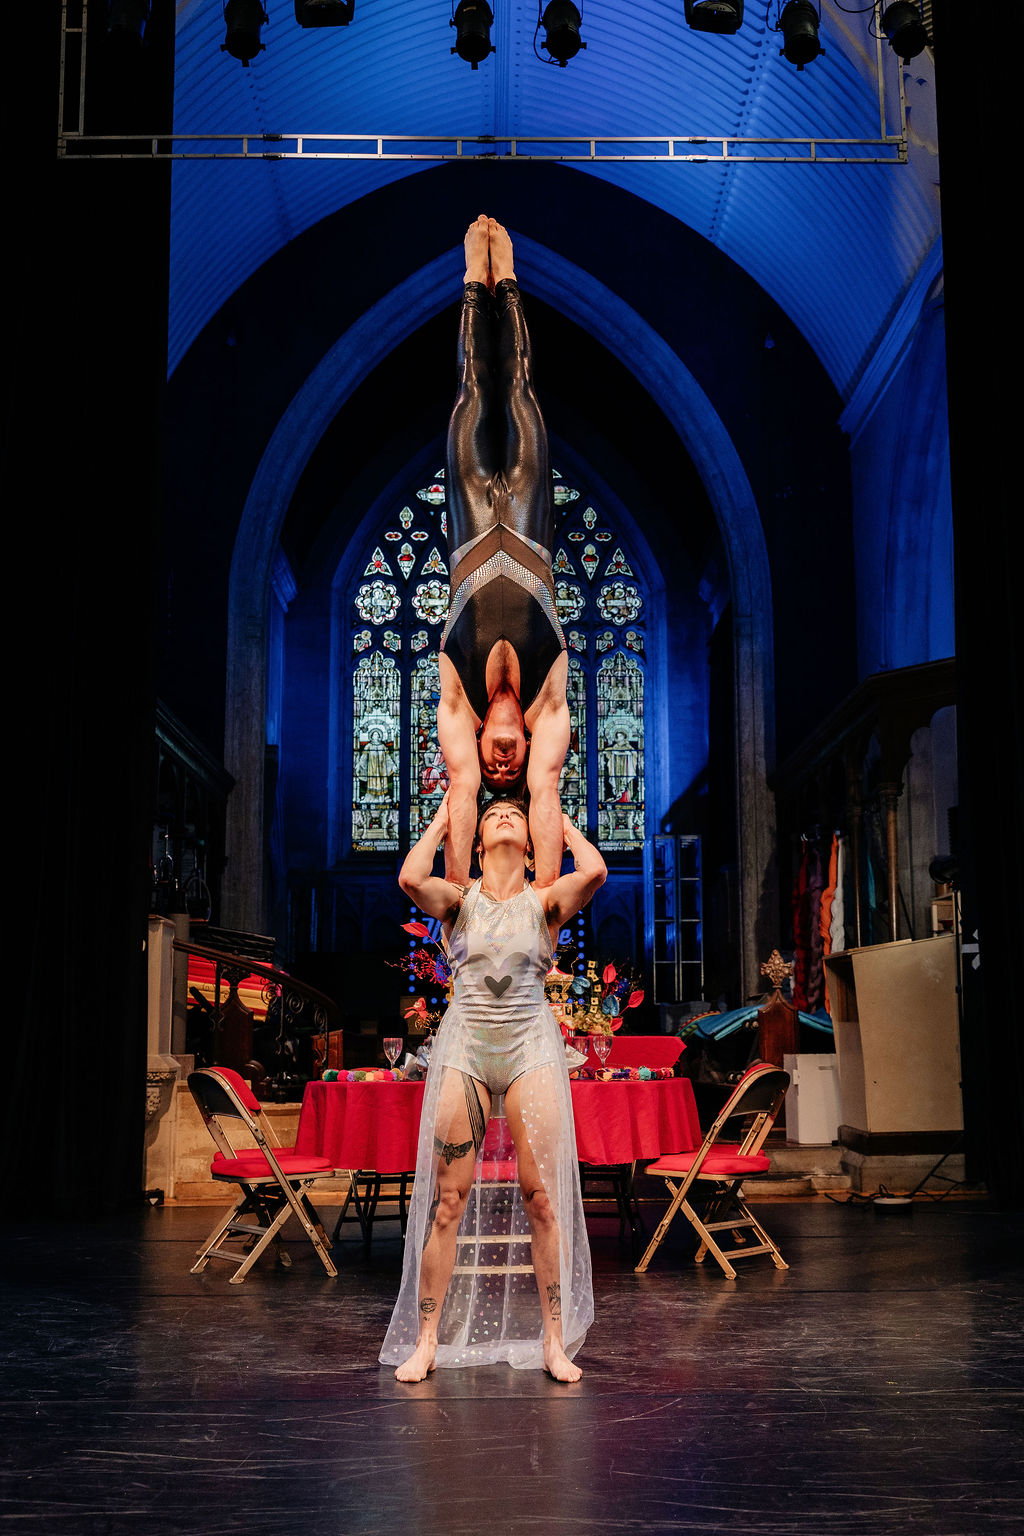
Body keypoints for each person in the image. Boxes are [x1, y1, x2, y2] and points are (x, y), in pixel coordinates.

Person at [379, 792, 606, 1383]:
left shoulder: (545, 901)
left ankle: (554, 1341)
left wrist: (559, 820)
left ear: (530, 842)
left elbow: (597, 871)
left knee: (542, 1198)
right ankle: (427, 1337)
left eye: (515, 816)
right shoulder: (458, 902)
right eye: (492, 817)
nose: (504, 817)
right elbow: (409, 877)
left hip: (530, 1042)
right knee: (448, 1200)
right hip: (467, 1046)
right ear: (478, 844)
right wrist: (441, 819)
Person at [438, 216, 570, 889]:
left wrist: (460, 894)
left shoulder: (459, 699)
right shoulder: (548, 700)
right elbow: (545, 790)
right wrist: (545, 895)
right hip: (524, 520)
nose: (499, 770)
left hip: (469, 525)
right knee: (516, 391)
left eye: (497, 770)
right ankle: (509, 281)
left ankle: (470, 286)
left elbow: (460, 784)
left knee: (470, 392)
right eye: (507, 770)